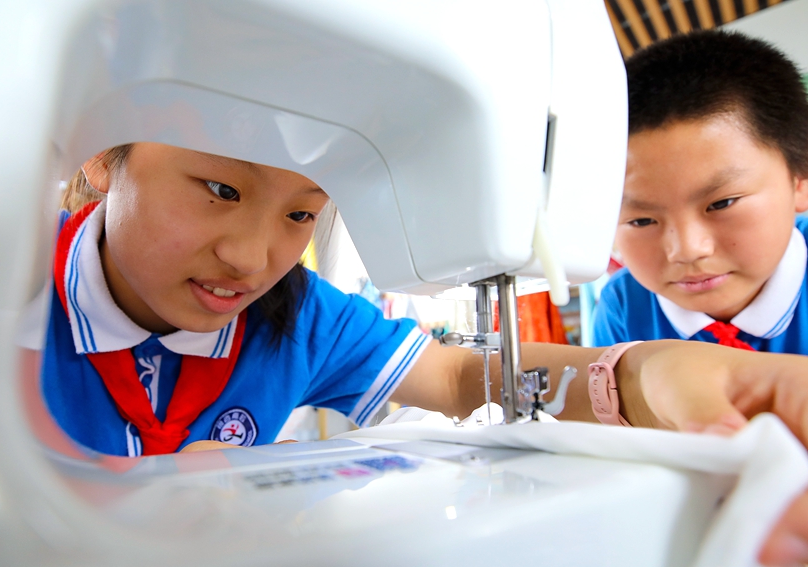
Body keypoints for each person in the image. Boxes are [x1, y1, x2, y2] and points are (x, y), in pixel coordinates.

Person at [44, 141, 808, 565]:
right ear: (103, 158)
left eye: (302, 212)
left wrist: (642, 371)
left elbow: (458, 376)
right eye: (218, 188)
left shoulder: (302, 315)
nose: (251, 256)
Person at [593, 30, 808, 354]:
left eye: (721, 203)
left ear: (800, 179)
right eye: (641, 221)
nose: (687, 250)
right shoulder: (623, 307)